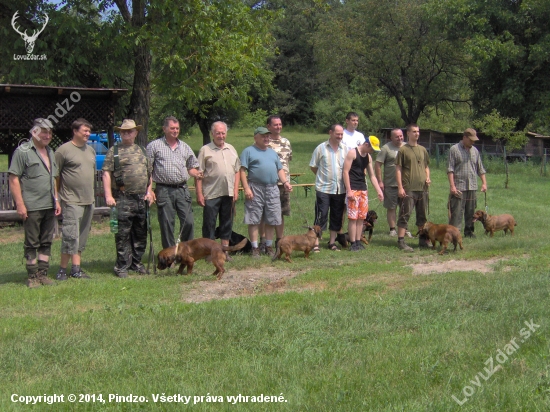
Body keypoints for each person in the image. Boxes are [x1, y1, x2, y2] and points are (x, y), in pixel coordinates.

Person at [8, 118, 62, 287]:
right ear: (34, 132)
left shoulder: (50, 151)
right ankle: (32, 276)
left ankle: (43, 274)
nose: (47, 135)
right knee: (32, 242)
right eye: (43, 131)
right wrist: (20, 204)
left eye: (50, 132)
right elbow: (14, 178)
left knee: (47, 240)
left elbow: (53, 178)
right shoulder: (23, 151)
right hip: (32, 205)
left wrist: (57, 199)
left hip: (49, 204)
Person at [102, 119, 155, 278]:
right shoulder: (114, 151)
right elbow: (106, 173)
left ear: (136, 133)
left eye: (130, 131)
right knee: (123, 234)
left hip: (141, 199)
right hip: (123, 197)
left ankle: (136, 263)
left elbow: (149, 174)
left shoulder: (143, 151)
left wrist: (149, 192)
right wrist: (108, 195)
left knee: (140, 233)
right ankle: (122, 266)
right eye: (124, 131)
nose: (127, 133)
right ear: (120, 133)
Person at [146, 116, 203, 249]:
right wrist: (149, 190)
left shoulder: (185, 147)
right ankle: (170, 254)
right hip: (163, 190)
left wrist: (196, 174)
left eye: (177, 128)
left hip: (182, 189)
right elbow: (148, 170)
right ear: (164, 129)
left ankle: (186, 252)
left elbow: (191, 167)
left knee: (188, 222)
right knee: (167, 223)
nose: (175, 131)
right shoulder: (154, 146)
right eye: (172, 128)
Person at [240, 127, 292, 257]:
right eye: (263, 136)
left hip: (272, 187)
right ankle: (255, 248)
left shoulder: (272, 153)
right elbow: (242, 171)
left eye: (268, 136)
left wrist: (285, 182)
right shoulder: (248, 151)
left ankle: (268, 246)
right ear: (255, 137)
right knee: (254, 219)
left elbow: (279, 169)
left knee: (272, 218)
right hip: (255, 188)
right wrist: (246, 188)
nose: (266, 138)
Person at [55, 118, 96, 279]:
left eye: (88, 131)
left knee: (82, 237)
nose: (87, 133)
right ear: (75, 131)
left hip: (89, 200)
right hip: (71, 200)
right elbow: (56, 176)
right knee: (70, 236)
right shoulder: (63, 150)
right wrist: (57, 198)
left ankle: (76, 269)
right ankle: (62, 270)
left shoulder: (90, 151)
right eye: (84, 130)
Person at [196, 121, 241, 258]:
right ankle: (209, 252)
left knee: (226, 223)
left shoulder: (231, 149)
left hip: (228, 192)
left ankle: (224, 252)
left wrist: (236, 189)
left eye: (223, 133)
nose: (220, 136)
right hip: (211, 193)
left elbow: (237, 170)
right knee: (209, 224)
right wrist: (199, 193)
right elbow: (199, 173)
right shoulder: (205, 150)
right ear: (212, 134)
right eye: (218, 133)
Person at [309, 124, 348, 251]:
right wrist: (322, 177)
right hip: (323, 189)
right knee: (321, 215)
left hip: (340, 189)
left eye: (342, 134)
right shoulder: (321, 148)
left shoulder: (345, 149)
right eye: (338, 134)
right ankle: (315, 243)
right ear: (330, 133)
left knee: (337, 216)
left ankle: (331, 242)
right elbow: (313, 166)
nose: (340, 136)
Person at [343, 135, 384, 251]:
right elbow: (345, 172)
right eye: (372, 148)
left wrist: (379, 191)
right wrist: (349, 190)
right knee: (353, 217)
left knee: (361, 217)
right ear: (366, 144)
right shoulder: (352, 153)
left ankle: (358, 241)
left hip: (363, 188)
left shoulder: (368, 157)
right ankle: (353, 243)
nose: (372, 151)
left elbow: (372, 176)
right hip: (353, 189)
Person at [395, 124, 431, 252]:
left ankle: (422, 240)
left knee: (422, 215)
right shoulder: (403, 150)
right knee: (405, 213)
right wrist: (400, 187)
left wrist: (428, 177)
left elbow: (426, 166)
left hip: (422, 188)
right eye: (414, 131)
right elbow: (398, 169)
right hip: (408, 187)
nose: (417, 134)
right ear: (408, 134)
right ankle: (401, 240)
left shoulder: (422, 149)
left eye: (418, 131)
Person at [259, 115, 292, 251]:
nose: (278, 127)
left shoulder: (286, 142)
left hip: (284, 184)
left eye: (280, 124)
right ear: (268, 126)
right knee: (265, 214)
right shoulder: (265, 142)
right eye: (275, 125)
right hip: (268, 184)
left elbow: (288, 160)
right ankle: (263, 241)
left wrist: (285, 181)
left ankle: (280, 241)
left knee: (281, 213)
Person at [447, 128, 487, 237]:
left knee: (470, 212)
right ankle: (454, 233)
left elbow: (480, 169)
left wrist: (484, 183)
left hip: (472, 186)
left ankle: (469, 232)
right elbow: (450, 169)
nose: (473, 142)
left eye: (474, 140)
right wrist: (452, 186)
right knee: (457, 212)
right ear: (464, 137)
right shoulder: (454, 150)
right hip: (459, 186)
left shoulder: (475, 151)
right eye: (471, 140)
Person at [375, 128, 413, 238]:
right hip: (390, 184)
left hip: (406, 184)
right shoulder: (386, 148)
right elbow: (377, 165)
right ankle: (392, 229)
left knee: (406, 208)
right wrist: (380, 181)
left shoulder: (408, 147)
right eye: (397, 136)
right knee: (391, 207)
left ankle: (404, 229)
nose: (400, 138)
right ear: (391, 137)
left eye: (401, 136)